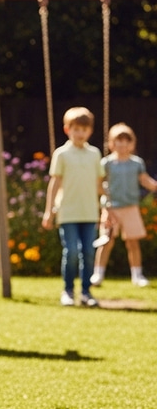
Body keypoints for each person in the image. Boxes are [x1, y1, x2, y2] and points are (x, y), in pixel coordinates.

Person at [41, 106, 104, 307]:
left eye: (84, 129)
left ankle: (86, 292)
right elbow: (55, 183)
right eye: (76, 129)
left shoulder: (95, 153)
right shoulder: (62, 154)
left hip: (90, 212)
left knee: (88, 252)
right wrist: (48, 210)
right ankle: (68, 291)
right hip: (67, 211)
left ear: (90, 131)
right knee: (72, 252)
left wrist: (109, 208)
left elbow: (99, 185)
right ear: (67, 129)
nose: (80, 133)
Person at [91, 122, 157, 287]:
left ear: (132, 144)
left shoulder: (136, 163)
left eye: (126, 141)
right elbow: (98, 185)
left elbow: (144, 180)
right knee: (106, 241)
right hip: (111, 209)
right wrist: (106, 200)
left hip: (130, 207)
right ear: (112, 143)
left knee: (133, 242)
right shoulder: (106, 163)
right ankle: (97, 274)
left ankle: (137, 275)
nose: (122, 144)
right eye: (118, 140)